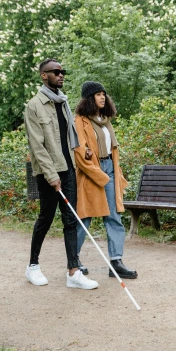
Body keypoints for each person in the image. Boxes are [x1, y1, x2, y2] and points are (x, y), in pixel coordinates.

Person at [24, 59, 98, 290]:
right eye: (56, 72)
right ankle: (33, 266)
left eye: (62, 71)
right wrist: (50, 175)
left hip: (68, 170)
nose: (61, 75)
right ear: (43, 76)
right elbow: (37, 146)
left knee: (70, 220)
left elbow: (68, 138)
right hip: (49, 173)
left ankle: (73, 272)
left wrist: (81, 152)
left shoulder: (64, 103)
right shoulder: (34, 106)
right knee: (45, 218)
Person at [73, 81, 138, 279]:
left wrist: (114, 173)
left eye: (104, 94)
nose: (102, 97)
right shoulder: (80, 122)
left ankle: (116, 262)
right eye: (98, 94)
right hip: (92, 173)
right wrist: (99, 174)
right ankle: (73, 260)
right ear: (89, 98)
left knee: (114, 217)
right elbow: (80, 153)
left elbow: (112, 149)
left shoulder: (106, 120)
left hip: (109, 169)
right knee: (85, 217)